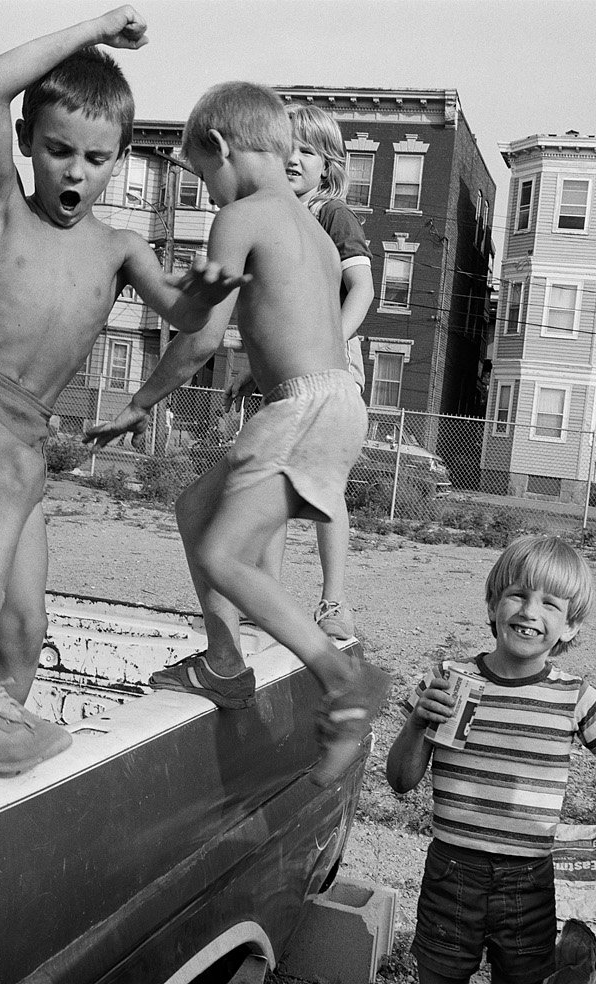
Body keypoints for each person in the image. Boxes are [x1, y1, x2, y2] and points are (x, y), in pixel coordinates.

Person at [0, 7, 245, 776]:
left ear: (119, 158)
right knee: (17, 469)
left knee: (24, 631)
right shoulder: (1, 208)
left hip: (18, 438)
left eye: (95, 157)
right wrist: (93, 33)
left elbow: (184, 316)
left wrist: (206, 293)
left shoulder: (121, 249)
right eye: (56, 150)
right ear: (27, 144)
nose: (74, 172)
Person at [86, 81, 389, 787]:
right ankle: (225, 662)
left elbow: (199, 340)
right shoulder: (310, 226)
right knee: (196, 510)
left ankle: (344, 682)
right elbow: (291, 316)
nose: (208, 194)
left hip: (303, 406)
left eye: (201, 177)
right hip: (331, 397)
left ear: (220, 149)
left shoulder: (243, 216)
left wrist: (140, 403)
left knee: (225, 554)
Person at [385, 536, 596, 984]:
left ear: (570, 627)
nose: (529, 612)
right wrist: (417, 724)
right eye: (517, 595)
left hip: (528, 880)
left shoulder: (574, 697)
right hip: (451, 872)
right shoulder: (446, 681)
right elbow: (401, 780)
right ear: (492, 606)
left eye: (550, 604)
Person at [224, 103, 375, 642]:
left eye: (307, 151)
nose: (294, 159)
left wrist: (333, 344)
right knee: (271, 479)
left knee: (324, 484)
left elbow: (363, 288)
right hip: (283, 376)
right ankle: (268, 595)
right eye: (286, 148)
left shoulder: (331, 216)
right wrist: (251, 372)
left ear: (328, 167)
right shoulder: (271, 215)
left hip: (331, 367)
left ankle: (333, 601)